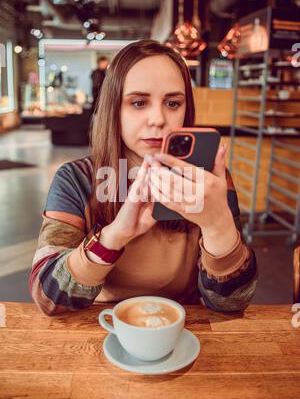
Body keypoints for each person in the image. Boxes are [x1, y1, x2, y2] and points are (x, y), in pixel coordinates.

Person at [29, 39, 257, 316]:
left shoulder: (206, 182)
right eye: (138, 102)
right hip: (100, 327)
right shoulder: (77, 179)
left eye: (173, 103)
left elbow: (231, 303)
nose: (158, 118)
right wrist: (113, 237)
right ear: (114, 108)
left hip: (182, 327)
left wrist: (219, 228)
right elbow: (48, 297)